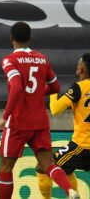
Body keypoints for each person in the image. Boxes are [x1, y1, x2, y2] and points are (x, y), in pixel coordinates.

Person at [0, 22, 79, 199]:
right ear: (30, 38)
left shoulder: (9, 60)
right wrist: (37, 94)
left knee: (5, 167)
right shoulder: (42, 59)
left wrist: (5, 117)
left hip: (18, 121)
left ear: (11, 39)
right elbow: (55, 87)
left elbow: (17, 87)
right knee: (48, 164)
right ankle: (69, 190)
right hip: (40, 121)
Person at [36, 53, 90, 199]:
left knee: (43, 166)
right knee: (66, 168)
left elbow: (55, 110)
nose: (77, 68)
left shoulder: (79, 88)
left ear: (81, 71)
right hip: (83, 147)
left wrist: (53, 92)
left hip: (82, 146)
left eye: (78, 66)